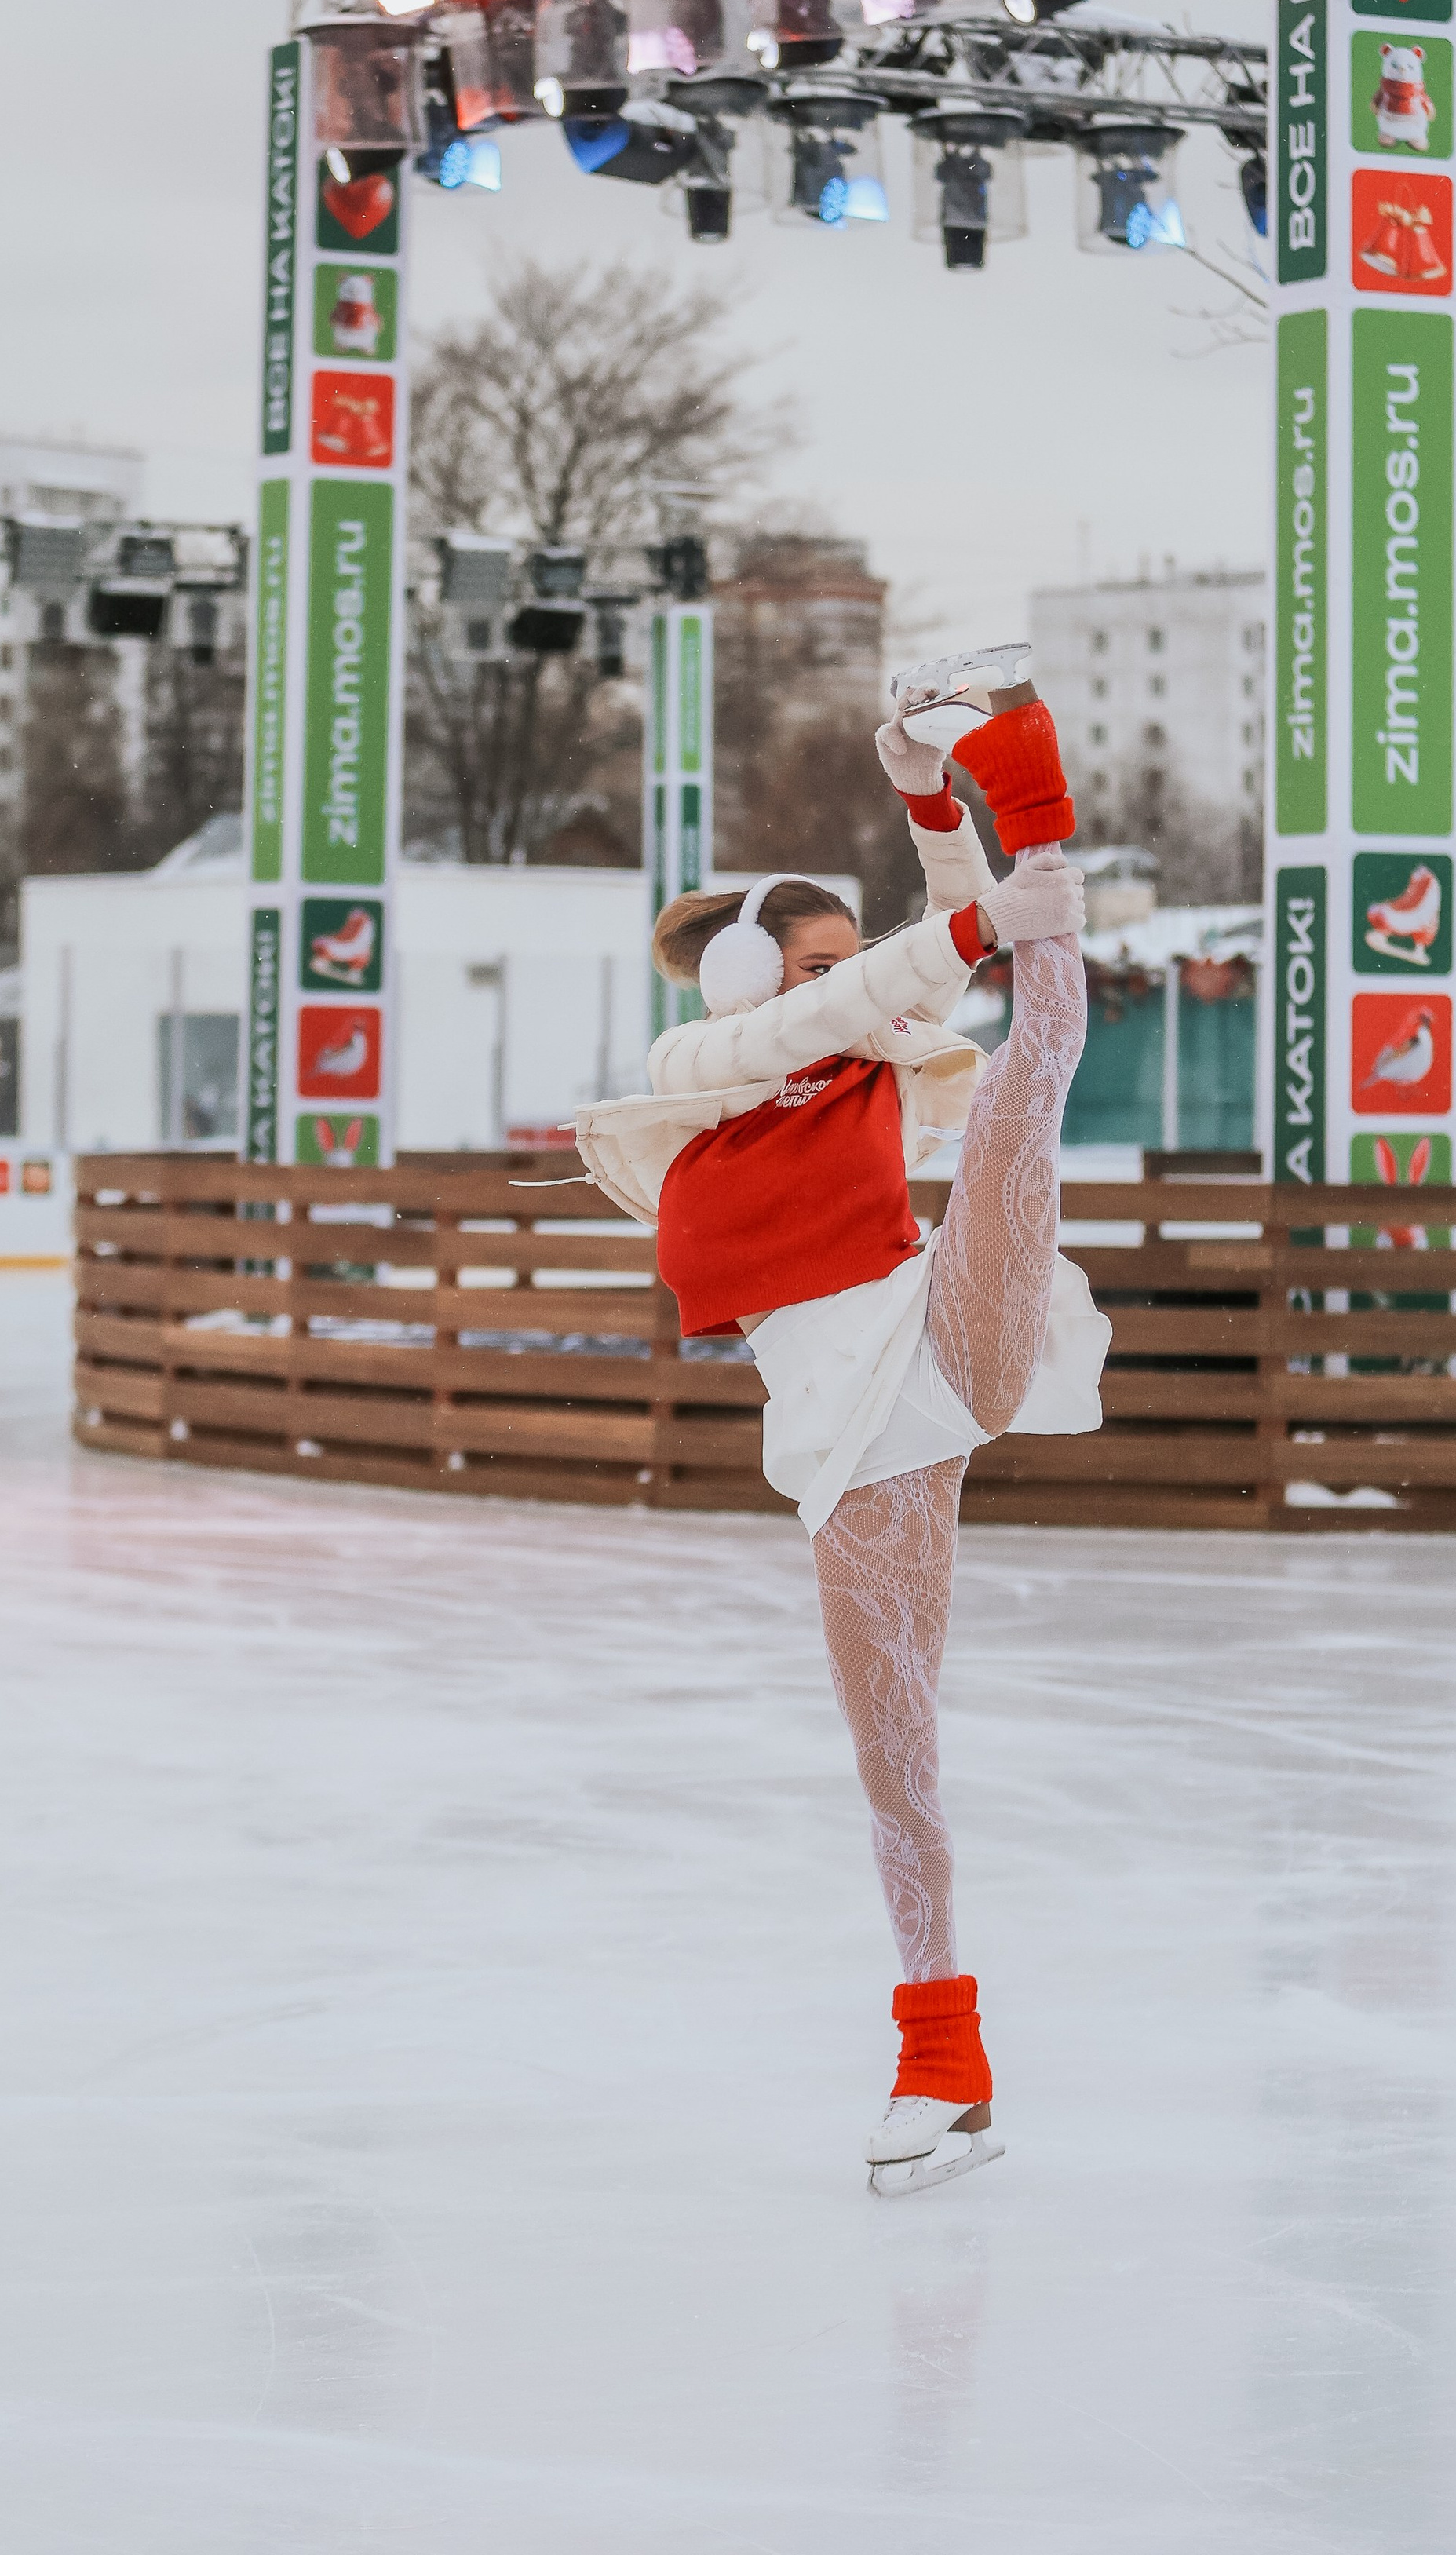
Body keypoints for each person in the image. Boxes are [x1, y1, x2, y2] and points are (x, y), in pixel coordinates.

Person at [575, 662, 1107, 2193]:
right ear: (749, 980)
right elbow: (863, 990)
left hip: (938, 1323)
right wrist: (955, 923)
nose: (848, 983)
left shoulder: (868, 1047)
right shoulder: (696, 1070)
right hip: (852, 1432)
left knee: (1025, 1075)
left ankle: (1031, 782)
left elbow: (909, 984)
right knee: (900, 1759)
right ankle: (944, 2066)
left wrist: (936, 803)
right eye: (812, 965)